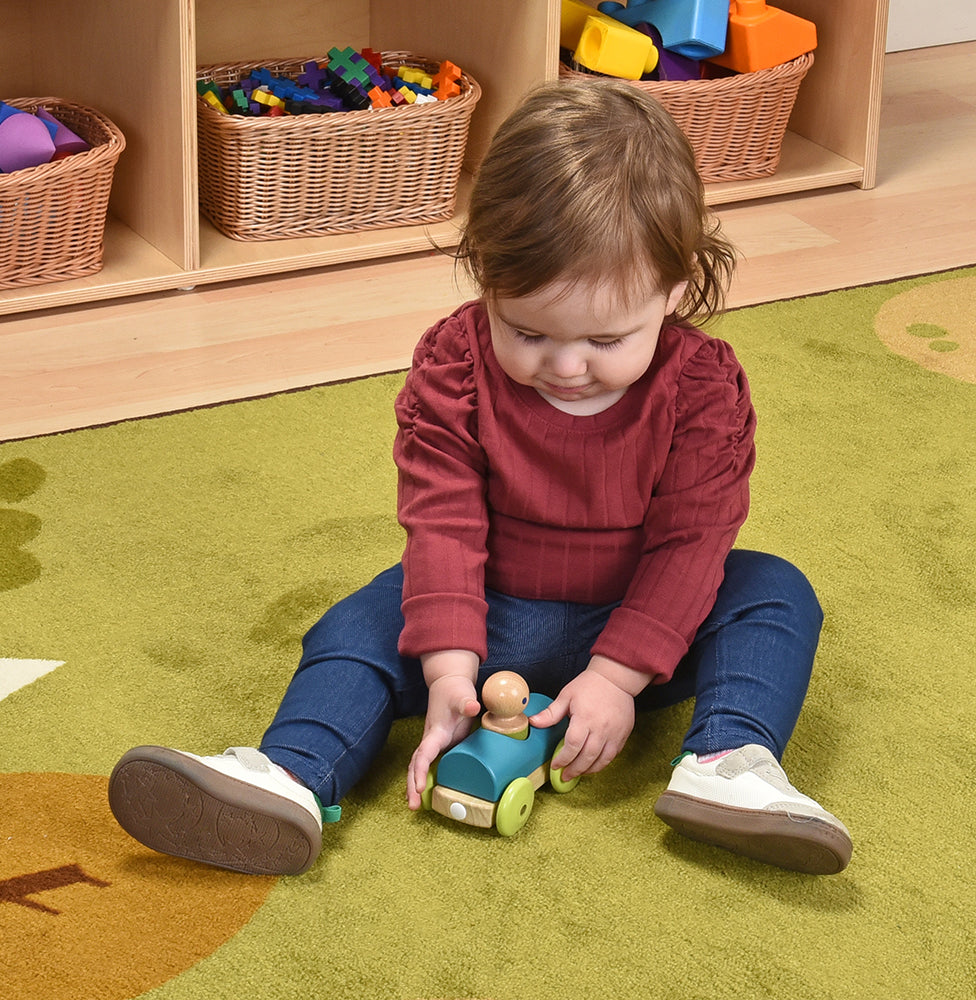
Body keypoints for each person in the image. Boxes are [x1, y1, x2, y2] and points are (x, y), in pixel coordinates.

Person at [108, 78, 851, 878]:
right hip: (487, 607)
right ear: (484, 277)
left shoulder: (701, 388)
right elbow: (444, 523)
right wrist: (450, 669)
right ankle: (288, 772)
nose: (567, 367)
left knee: (773, 593)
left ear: (674, 289)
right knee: (357, 626)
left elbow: (692, 544)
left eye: (606, 339)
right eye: (527, 331)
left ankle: (727, 767)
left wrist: (615, 677)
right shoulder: (455, 366)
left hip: (643, 616)